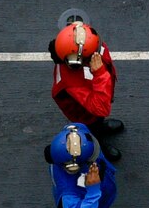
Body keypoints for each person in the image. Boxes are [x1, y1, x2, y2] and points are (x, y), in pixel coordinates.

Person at [44, 122, 125, 208]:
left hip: (102, 195)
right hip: (90, 204)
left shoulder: (79, 132)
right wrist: (93, 190)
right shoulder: (68, 193)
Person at [49, 20, 123, 161]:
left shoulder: (77, 45)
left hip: (93, 98)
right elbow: (100, 108)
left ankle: (101, 126)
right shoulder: (72, 82)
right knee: (92, 129)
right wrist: (100, 74)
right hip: (85, 113)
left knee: (98, 122)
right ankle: (98, 145)